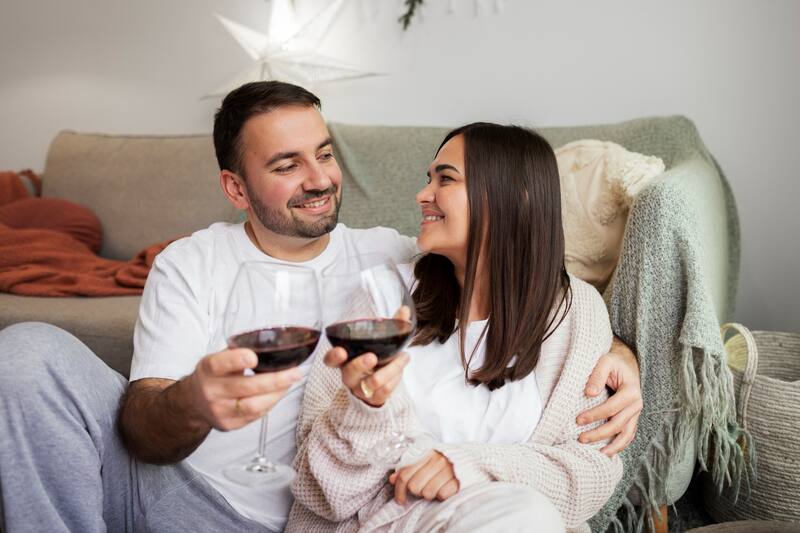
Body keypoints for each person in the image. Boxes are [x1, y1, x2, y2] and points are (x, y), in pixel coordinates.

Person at [0, 82, 640, 532]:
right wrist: (193, 399)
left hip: (325, 512)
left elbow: (516, 284)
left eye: (325, 154)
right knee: (27, 350)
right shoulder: (190, 264)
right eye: (287, 164)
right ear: (235, 187)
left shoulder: (393, 262)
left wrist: (618, 351)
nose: (319, 178)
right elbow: (142, 425)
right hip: (180, 493)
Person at [288, 123, 624, 533]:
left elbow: (592, 470)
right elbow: (317, 489)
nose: (423, 194)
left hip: (520, 522)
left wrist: (463, 465)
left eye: (445, 178)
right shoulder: (384, 298)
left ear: (513, 197)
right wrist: (364, 408)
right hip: (391, 525)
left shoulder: (574, 311)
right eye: (428, 178)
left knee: (526, 516)